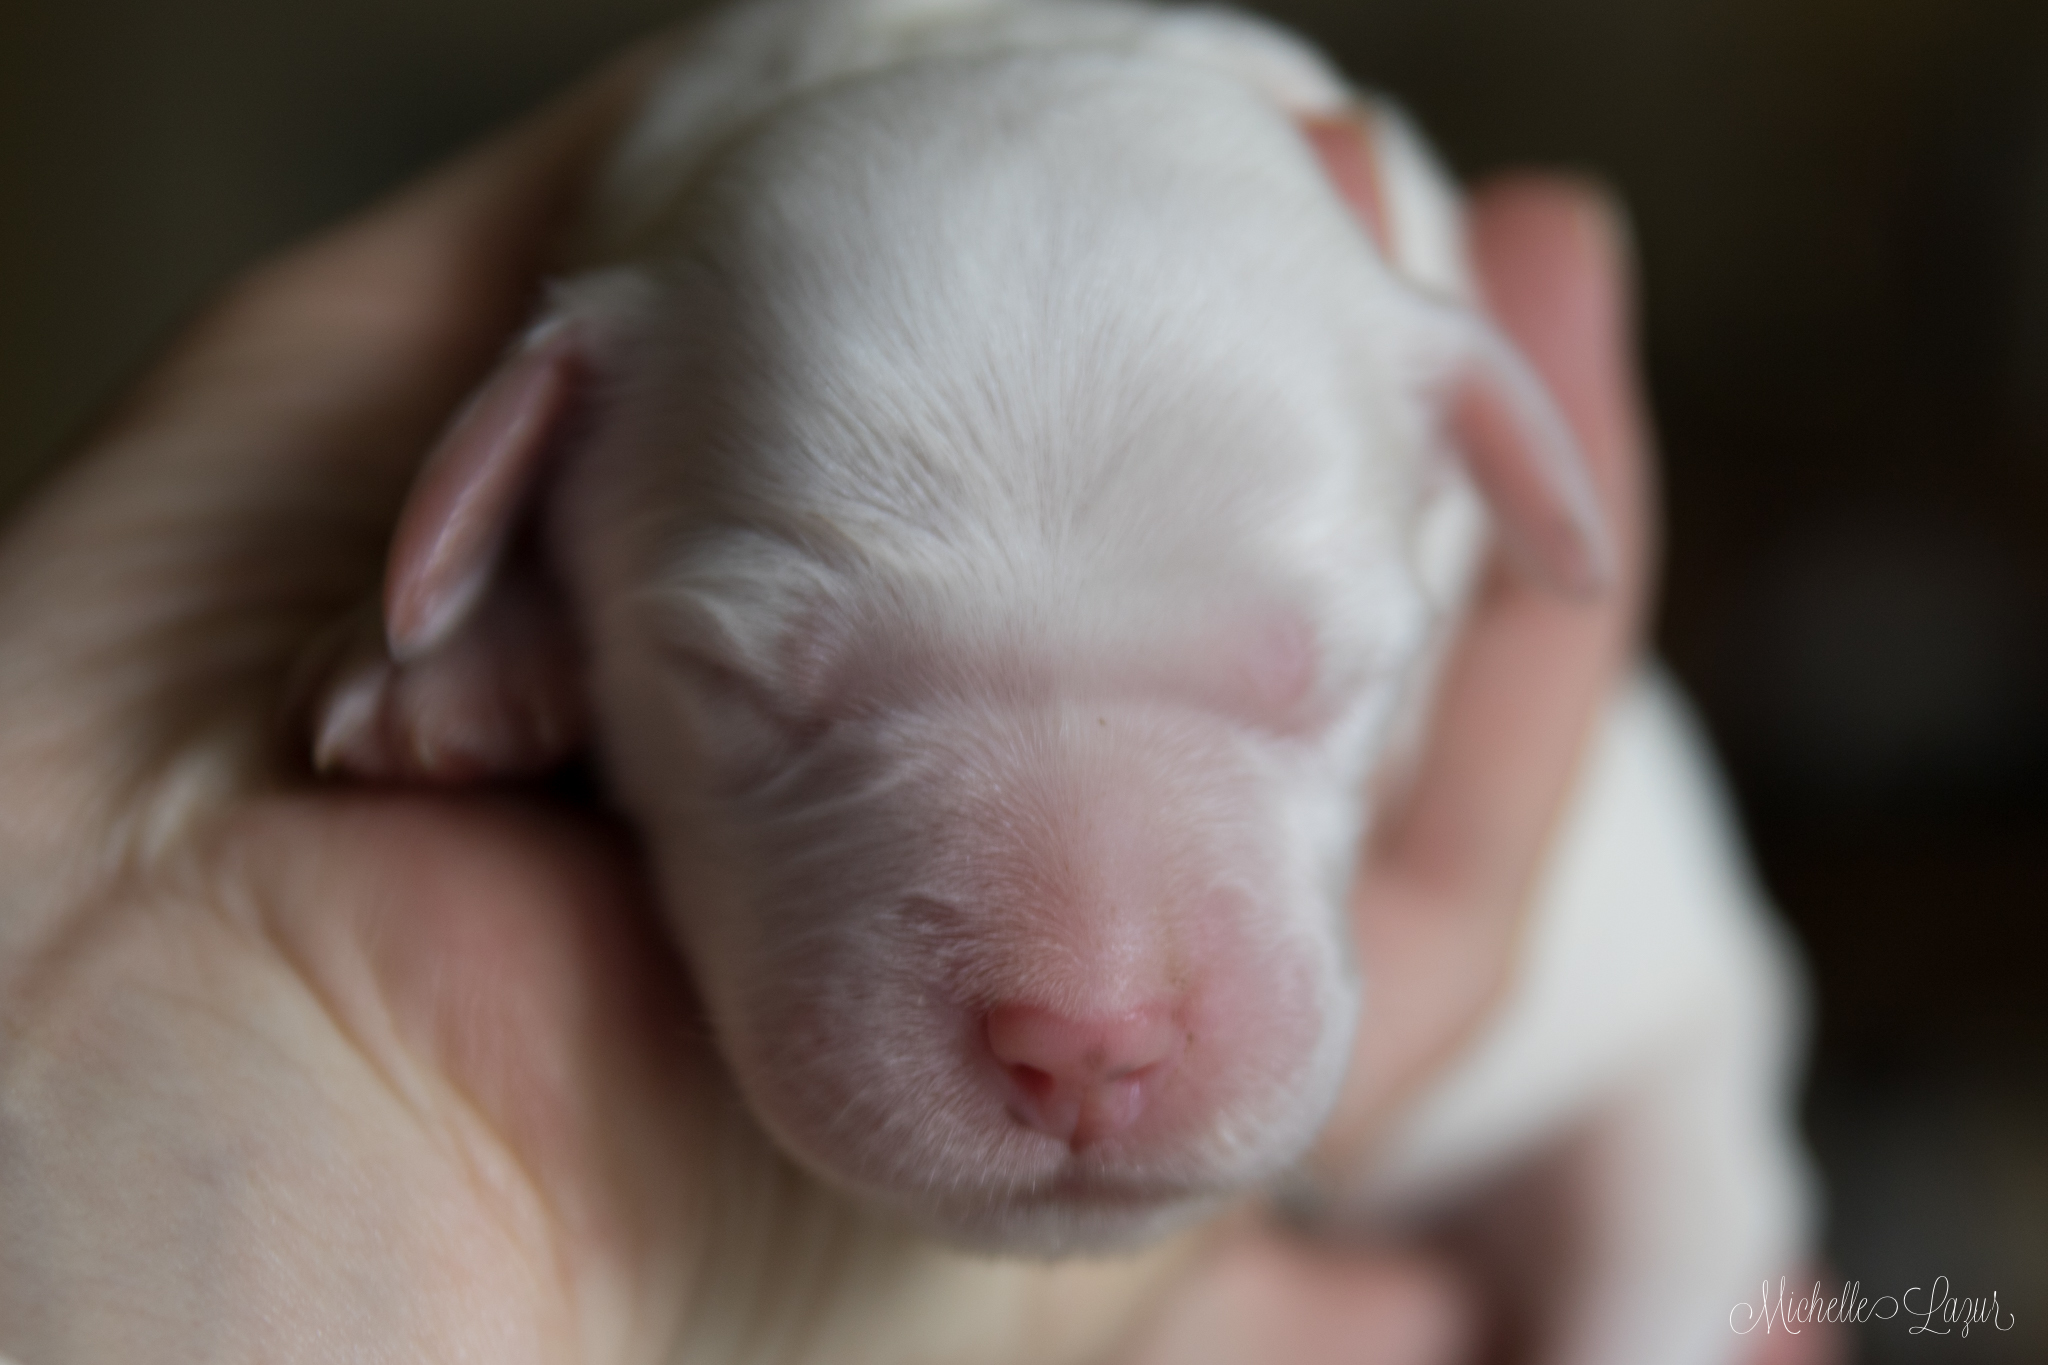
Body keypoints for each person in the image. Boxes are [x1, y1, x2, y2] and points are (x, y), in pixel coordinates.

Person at [0, 35, 1824, 1364]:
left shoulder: (1342, 263)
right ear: (521, 484)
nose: (1089, 1002)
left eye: (1296, 680)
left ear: (1468, 456)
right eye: (788, 690)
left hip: (1595, 1106)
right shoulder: (675, 281)